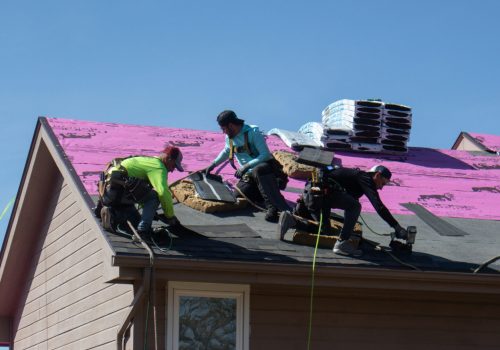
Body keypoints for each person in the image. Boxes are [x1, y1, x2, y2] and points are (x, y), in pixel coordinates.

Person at [278, 165, 408, 257]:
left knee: (324, 231)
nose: (381, 188)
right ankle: (342, 243)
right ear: (377, 175)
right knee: (355, 206)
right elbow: (378, 206)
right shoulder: (365, 178)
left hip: (312, 195)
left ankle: (291, 220)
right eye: (382, 183)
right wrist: (396, 226)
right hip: (323, 195)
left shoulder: (355, 178)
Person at [205, 110, 289, 222]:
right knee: (238, 196)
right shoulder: (229, 138)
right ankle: (264, 194)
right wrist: (213, 164)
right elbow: (226, 151)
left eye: (223, 128)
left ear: (230, 125)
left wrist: (246, 166)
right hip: (250, 177)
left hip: (266, 172)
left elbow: (265, 154)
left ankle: (272, 207)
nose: (223, 132)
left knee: (258, 170)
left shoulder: (252, 133)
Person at [98, 146, 183, 237]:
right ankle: (143, 231)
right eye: (174, 165)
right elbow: (163, 193)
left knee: (134, 220)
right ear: (168, 159)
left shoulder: (149, 160)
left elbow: (140, 190)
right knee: (156, 196)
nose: (172, 170)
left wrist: (151, 211)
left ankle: (108, 213)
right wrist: (170, 216)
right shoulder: (159, 167)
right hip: (118, 193)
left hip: (107, 192)